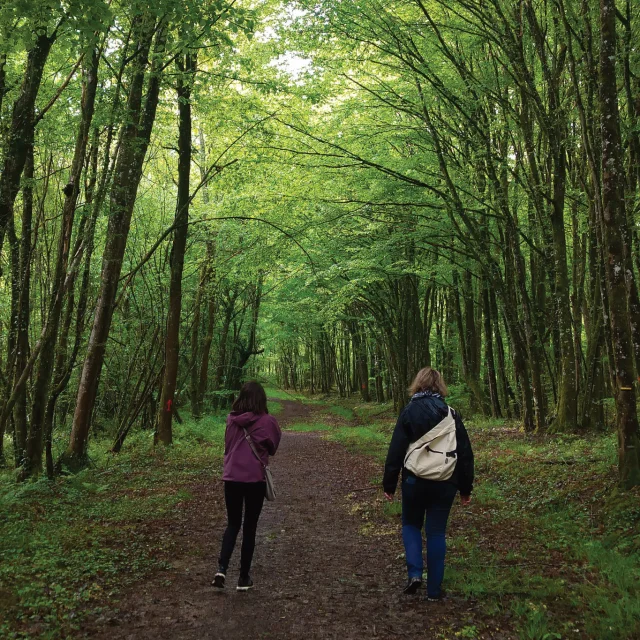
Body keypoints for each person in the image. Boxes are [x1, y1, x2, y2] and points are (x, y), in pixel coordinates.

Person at [383, 367, 474, 601]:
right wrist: (465, 489)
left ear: (418, 384)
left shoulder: (409, 411)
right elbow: (464, 453)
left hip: (414, 480)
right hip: (445, 481)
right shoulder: (452, 414)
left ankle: (415, 573)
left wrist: (389, 484)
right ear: (439, 386)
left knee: (411, 524)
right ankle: (434, 591)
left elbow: (396, 449)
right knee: (436, 533)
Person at [213, 381, 281, 591]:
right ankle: (243, 578)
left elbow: (227, 447)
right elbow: (272, 448)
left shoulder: (231, 420)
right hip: (254, 480)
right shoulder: (268, 421)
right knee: (249, 527)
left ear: (241, 398)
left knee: (232, 524)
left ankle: (221, 570)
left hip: (232, 478)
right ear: (261, 399)